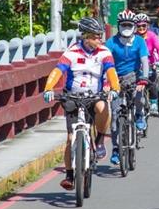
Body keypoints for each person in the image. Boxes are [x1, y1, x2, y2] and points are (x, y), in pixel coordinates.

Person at [42, 17, 119, 190]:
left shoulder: (104, 52)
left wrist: (114, 88)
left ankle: (99, 140)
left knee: (103, 107)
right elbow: (58, 70)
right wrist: (48, 89)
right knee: (70, 138)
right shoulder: (71, 52)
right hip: (73, 97)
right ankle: (69, 175)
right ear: (86, 36)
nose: (100, 39)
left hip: (94, 95)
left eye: (100, 35)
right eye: (96, 36)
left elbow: (111, 71)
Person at [105, 11, 150, 165]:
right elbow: (104, 62)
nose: (126, 27)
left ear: (134, 26)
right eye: (123, 24)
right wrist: (105, 82)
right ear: (119, 26)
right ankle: (116, 149)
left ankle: (139, 115)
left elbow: (144, 61)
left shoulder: (139, 41)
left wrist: (143, 79)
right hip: (115, 78)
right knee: (115, 118)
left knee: (139, 95)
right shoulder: (111, 42)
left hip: (135, 76)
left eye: (129, 25)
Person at [134, 13, 159, 114]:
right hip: (137, 63)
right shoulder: (134, 37)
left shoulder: (152, 36)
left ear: (148, 26)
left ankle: (154, 102)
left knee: (152, 82)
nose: (141, 28)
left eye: (144, 25)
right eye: (138, 26)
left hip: (151, 61)